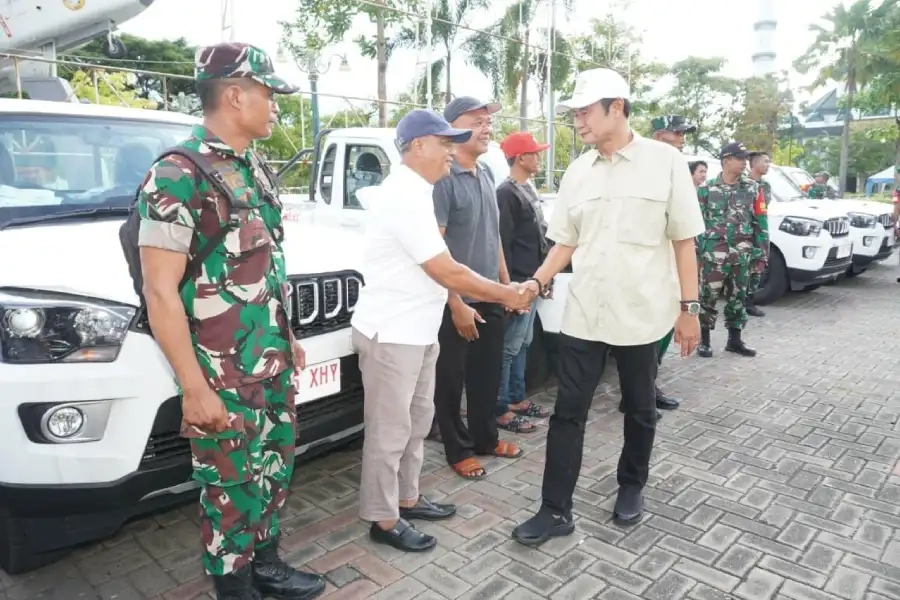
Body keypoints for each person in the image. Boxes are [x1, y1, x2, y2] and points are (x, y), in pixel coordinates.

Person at [137, 42, 326, 600]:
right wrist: (193, 388)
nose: (275, 107)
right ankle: (233, 585)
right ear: (236, 93)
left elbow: (266, 264)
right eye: (269, 95)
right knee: (228, 485)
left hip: (266, 360)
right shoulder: (177, 174)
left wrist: (286, 336)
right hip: (220, 374)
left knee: (273, 467)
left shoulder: (250, 166)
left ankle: (265, 564)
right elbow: (159, 291)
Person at [510, 68, 705, 546]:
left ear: (616, 107)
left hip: (643, 314)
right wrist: (536, 282)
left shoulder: (666, 162)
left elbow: (684, 242)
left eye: (584, 111)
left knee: (639, 408)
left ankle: (631, 486)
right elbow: (564, 243)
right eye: (574, 112)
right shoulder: (579, 171)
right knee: (566, 413)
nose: (577, 121)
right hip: (586, 314)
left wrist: (689, 309)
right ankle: (555, 509)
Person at [350, 110, 536, 553]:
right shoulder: (404, 195)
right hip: (392, 334)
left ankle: (408, 498)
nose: (451, 151)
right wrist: (506, 293)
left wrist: (499, 290)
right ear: (417, 147)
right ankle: (382, 516)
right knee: (390, 430)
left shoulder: (420, 191)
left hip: (417, 329)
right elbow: (445, 269)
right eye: (443, 143)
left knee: (416, 423)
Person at [432, 96, 522, 480]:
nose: (487, 128)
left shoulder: (485, 172)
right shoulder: (442, 180)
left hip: (489, 297)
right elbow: (434, 250)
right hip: (455, 301)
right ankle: (458, 449)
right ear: (453, 127)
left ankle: (486, 439)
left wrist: (506, 286)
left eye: (488, 121)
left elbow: (494, 237)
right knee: (451, 381)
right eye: (478, 121)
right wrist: (455, 304)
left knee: (487, 377)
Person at [494, 131, 553, 434]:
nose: (539, 158)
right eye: (535, 153)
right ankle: (501, 406)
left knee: (523, 343)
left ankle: (516, 397)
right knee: (509, 346)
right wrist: (509, 289)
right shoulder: (506, 193)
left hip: (531, 281)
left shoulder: (525, 188)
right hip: (518, 282)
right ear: (521, 158)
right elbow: (501, 243)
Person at [647, 114, 699, 414]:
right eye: (675, 134)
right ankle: (640, 393)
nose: (680, 140)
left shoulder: (676, 170)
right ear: (658, 137)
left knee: (664, 332)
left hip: (672, 268)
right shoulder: (643, 172)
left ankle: (647, 387)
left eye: (682, 135)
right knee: (649, 337)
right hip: (649, 271)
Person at [696, 142, 764, 359]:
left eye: (746, 158)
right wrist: (696, 254)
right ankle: (704, 341)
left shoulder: (752, 188)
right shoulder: (706, 190)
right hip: (713, 254)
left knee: (738, 296)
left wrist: (762, 252)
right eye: (740, 158)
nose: (745, 162)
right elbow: (697, 223)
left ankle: (735, 341)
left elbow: (761, 222)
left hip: (742, 253)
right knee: (708, 297)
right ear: (726, 161)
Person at [746, 152, 772, 317]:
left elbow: (762, 209)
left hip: (760, 231)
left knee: (758, 266)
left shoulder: (766, 186)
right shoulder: (743, 183)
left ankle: (749, 302)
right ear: (754, 163)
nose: (768, 164)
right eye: (765, 161)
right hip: (744, 230)